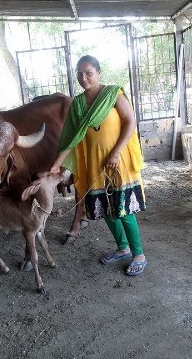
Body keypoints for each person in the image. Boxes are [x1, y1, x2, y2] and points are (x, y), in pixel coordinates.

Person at [50, 55, 147, 276]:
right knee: (105, 209)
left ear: (99, 73)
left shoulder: (113, 94)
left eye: (89, 73)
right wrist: (57, 165)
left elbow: (130, 122)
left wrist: (115, 152)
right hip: (93, 164)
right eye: (80, 74)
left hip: (117, 161)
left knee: (123, 209)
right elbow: (71, 139)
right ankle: (122, 248)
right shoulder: (77, 104)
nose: (83, 78)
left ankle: (138, 253)